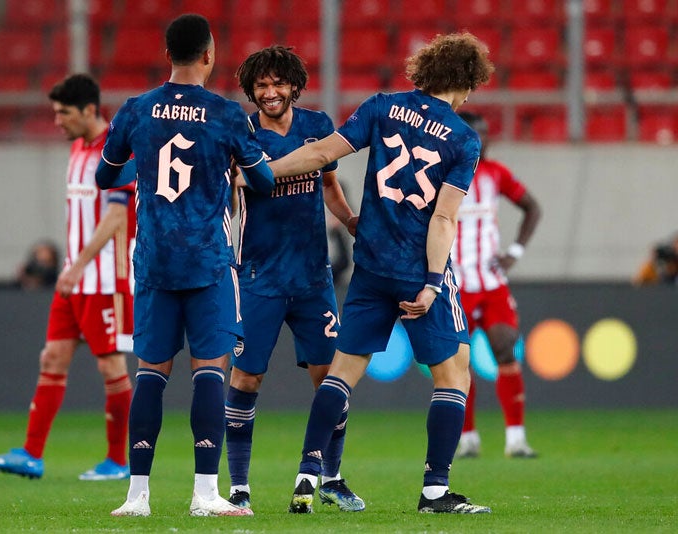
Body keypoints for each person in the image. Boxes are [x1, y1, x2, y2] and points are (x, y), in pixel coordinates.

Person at [267, 32, 495, 514]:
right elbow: (442, 218)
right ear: (468, 80)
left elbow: (318, 155)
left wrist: (260, 171)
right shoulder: (463, 138)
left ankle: (307, 478)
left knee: (342, 375)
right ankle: (435, 492)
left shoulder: (382, 107)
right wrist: (434, 283)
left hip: (370, 266)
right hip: (416, 270)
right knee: (454, 376)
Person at [94, 14, 275, 518]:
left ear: (166, 53)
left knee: (150, 372)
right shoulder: (226, 114)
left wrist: (145, 166)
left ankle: (136, 497)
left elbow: (104, 173)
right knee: (210, 371)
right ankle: (204, 494)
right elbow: (261, 182)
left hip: (153, 259)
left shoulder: (137, 109)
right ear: (210, 55)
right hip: (208, 260)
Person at [224, 45, 362, 513]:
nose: (270, 92)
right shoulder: (240, 133)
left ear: (294, 86)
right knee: (245, 378)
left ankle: (332, 477)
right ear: (251, 91)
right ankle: (239, 488)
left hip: (311, 277)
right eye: (261, 85)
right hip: (258, 276)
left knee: (332, 380)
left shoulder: (317, 127)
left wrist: (348, 221)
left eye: (278, 83)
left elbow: (326, 183)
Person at [0, 74, 136, 481]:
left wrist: (79, 264)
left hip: (103, 278)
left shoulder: (116, 151)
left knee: (111, 367)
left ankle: (119, 461)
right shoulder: (77, 149)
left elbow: (118, 217)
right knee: (52, 357)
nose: (56, 121)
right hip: (75, 278)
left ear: (88, 110)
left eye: (63, 113)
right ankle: (31, 454)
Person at [451, 111, 542, 459]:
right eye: (477, 134)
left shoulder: (497, 174)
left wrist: (514, 252)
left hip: (491, 283)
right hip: (455, 283)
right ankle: (467, 437)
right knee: (457, 363)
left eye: (487, 133)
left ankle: (516, 438)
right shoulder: (442, 174)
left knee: (505, 345)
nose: (484, 140)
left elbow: (532, 208)